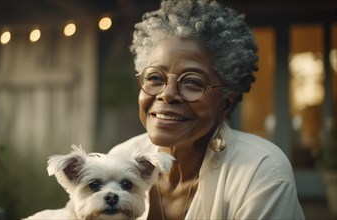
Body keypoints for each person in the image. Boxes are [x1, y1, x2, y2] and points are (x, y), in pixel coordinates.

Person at [109, 0, 305, 219]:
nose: (167, 94)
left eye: (192, 82)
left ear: (226, 103)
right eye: (155, 77)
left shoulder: (261, 171)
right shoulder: (120, 159)